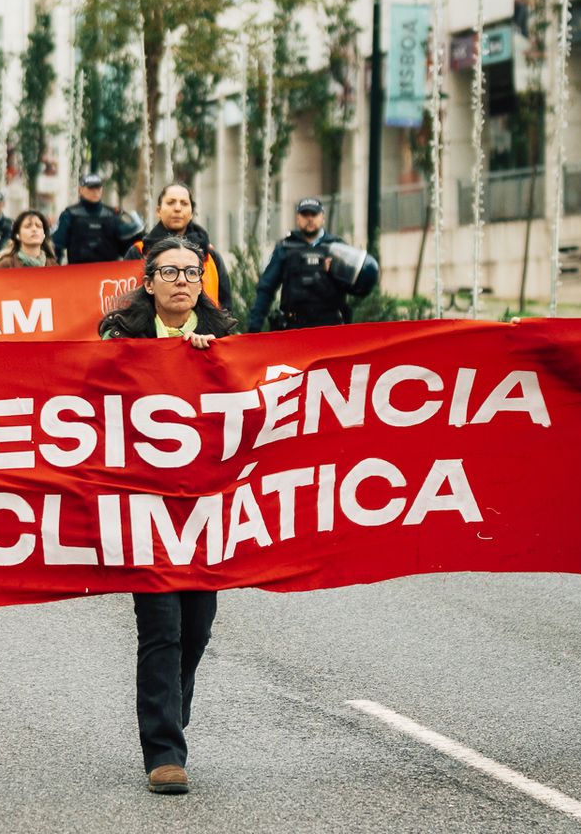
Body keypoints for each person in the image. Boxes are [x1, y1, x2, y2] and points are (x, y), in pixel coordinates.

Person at [98, 236, 240, 794]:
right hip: (145, 503)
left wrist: (216, 364)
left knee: (198, 626)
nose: (183, 280)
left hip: (206, 506)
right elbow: (97, 394)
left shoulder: (226, 337)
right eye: (171, 272)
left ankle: (168, 714)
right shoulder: (121, 335)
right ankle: (164, 751)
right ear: (149, 282)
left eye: (192, 271)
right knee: (162, 625)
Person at [246, 198, 378, 332]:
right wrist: (254, 327)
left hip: (329, 329)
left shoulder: (338, 248)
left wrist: (334, 273)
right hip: (293, 328)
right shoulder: (285, 248)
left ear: (322, 218)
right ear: (298, 218)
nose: (309, 219)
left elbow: (358, 286)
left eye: (314, 214)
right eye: (305, 215)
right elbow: (266, 289)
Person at [129, 183, 231, 309]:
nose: (177, 208)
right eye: (171, 202)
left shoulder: (210, 255)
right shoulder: (139, 252)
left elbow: (226, 308)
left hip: (208, 328)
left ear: (192, 212)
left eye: (184, 203)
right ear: (158, 211)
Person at [53, 172, 136, 265]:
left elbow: (127, 247)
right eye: (91, 188)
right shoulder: (69, 214)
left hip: (109, 273)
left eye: (98, 187)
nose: (95, 191)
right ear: (81, 190)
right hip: (77, 273)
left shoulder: (113, 214)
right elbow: (57, 245)